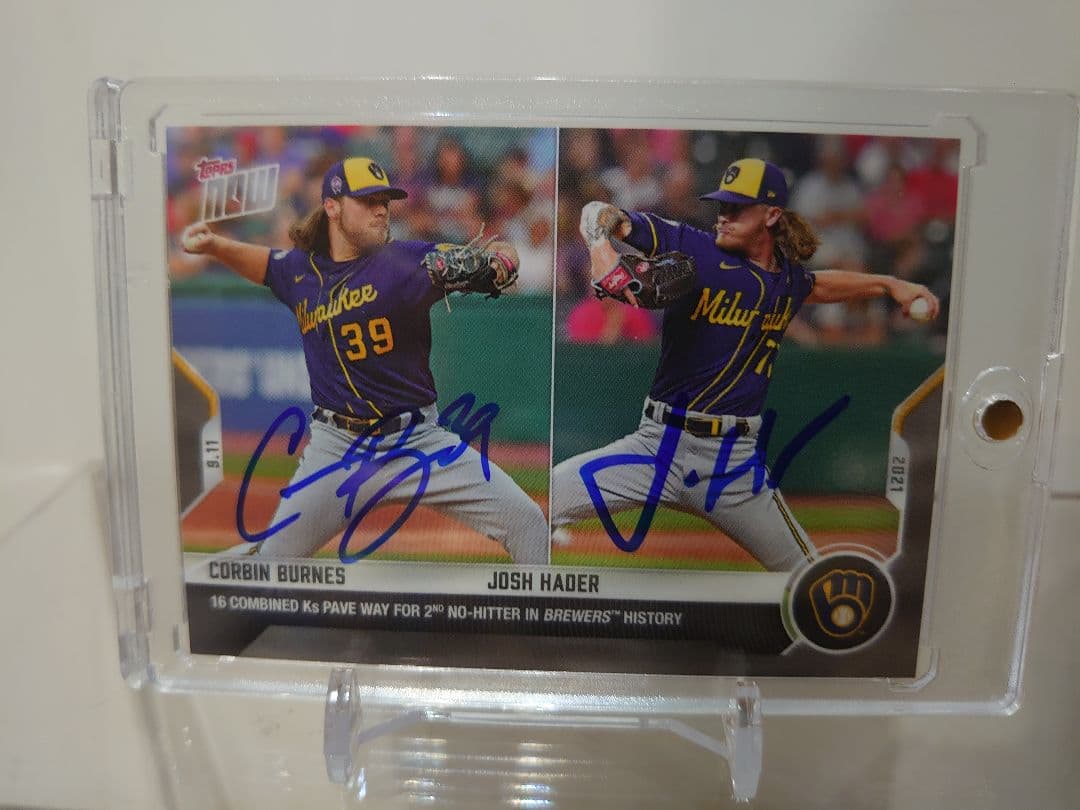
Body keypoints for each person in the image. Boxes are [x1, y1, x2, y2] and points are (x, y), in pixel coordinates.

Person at [551, 158, 939, 572]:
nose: (724, 215)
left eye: (737, 208)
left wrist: (889, 284)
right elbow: (601, 213)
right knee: (544, 500)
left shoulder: (787, 281)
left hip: (732, 466)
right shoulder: (694, 247)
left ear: (771, 215)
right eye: (722, 205)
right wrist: (601, 247)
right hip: (656, 446)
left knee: (806, 579)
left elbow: (820, 285)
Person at [181, 156, 548, 564]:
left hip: (419, 441)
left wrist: (500, 262)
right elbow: (267, 266)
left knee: (527, 522)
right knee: (273, 563)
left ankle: (540, 606)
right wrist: (215, 245)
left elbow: (500, 252)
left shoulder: (407, 261)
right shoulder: (302, 272)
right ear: (333, 207)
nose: (381, 210)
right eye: (367, 200)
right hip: (339, 449)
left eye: (384, 202)